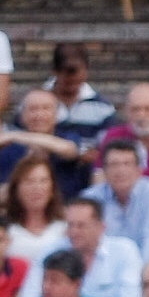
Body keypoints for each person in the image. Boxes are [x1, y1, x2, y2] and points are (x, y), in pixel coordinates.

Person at [16, 196, 141, 297]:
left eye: (81, 226)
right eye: (70, 225)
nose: (74, 232)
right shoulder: (51, 252)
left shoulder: (124, 251)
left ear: (101, 227)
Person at [46, 45, 117, 192]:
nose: (73, 84)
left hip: (87, 180)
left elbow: (109, 146)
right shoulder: (36, 104)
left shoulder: (102, 108)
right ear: (55, 71)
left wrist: (94, 155)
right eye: (67, 79)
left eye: (77, 79)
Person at [89, 139, 149, 263]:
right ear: (104, 170)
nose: (120, 170)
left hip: (146, 267)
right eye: (114, 164)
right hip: (104, 266)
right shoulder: (92, 198)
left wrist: (141, 272)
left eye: (127, 164)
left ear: (139, 169)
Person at [0, 88, 88, 196]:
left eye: (46, 108)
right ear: (22, 116)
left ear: (56, 114)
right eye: (33, 109)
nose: (39, 115)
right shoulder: (10, 148)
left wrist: (14, 135)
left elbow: (69, 150)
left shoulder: (67, 137)